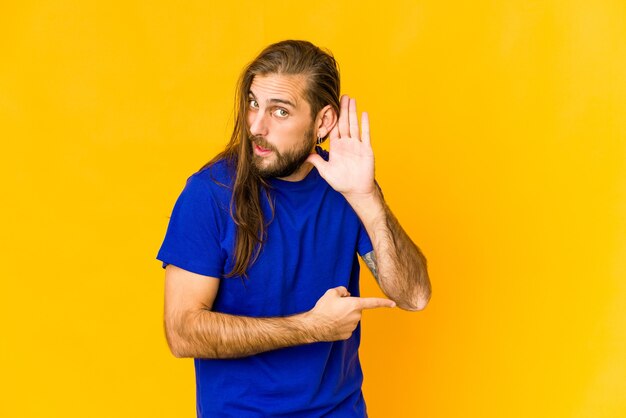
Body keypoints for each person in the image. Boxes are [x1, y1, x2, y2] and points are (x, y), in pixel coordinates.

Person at [156, 39, 431, 417]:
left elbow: (414, 296)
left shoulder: (346, 186)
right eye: (253, 103)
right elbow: (182, 331)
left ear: (323, 121)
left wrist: (367, 199)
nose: (256, 125)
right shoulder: (209, 193)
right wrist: (310, 327)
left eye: (280, 112)